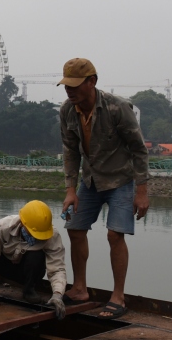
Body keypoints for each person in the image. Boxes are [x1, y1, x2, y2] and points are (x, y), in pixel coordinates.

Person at [58, 58, 150, 320]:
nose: (70, 90)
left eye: (75, 85)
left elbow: (139, 149)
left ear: (92, 82)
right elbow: (70, 151)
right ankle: (79, 288)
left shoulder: (116, 107)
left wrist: (141, 192)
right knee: (75, 229)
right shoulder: (67, 110)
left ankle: (118, 296)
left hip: (120, 180)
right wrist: (70, 190)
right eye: (66, 85)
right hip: (90, 180)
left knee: (114, 235)